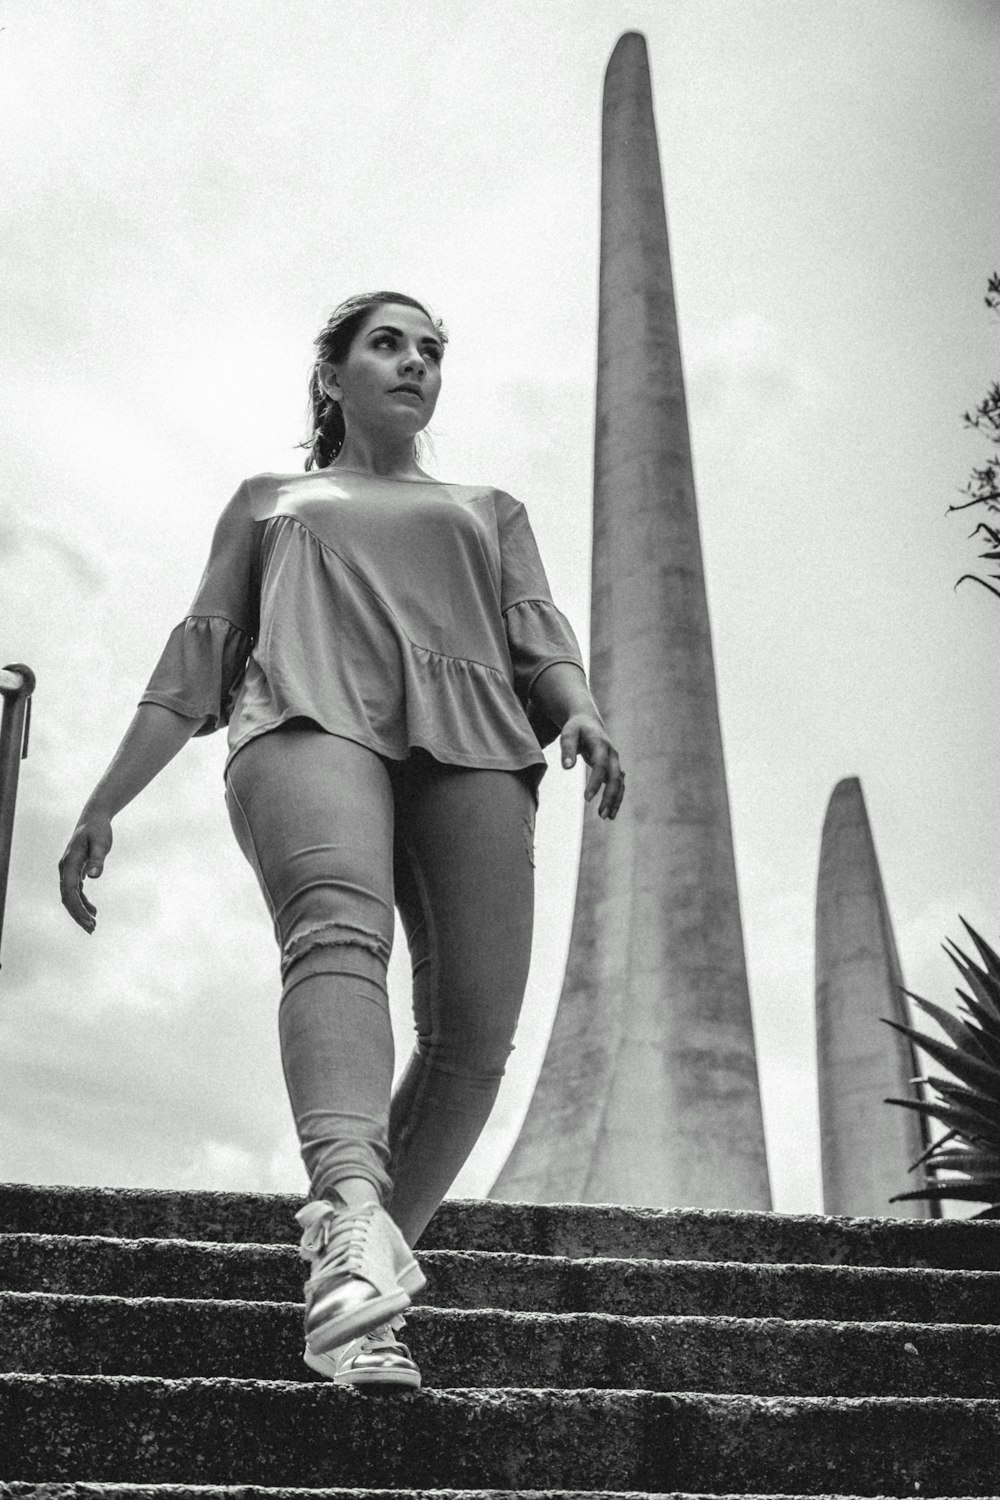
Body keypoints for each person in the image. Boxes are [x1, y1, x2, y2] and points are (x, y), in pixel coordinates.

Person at [59, 290, 625, 1391]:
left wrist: (584, 713)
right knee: (335, 937)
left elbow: (535, 638)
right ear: (332, 375)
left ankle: (361, 1289)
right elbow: (197, 664)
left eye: (431, 351)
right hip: (307, 720)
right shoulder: (274, 499)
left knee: (474, 1037)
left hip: (471, 742)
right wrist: (104, 801)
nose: (415, 363)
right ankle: (352, 1213)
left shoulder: (489, 506)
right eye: (388, 344)